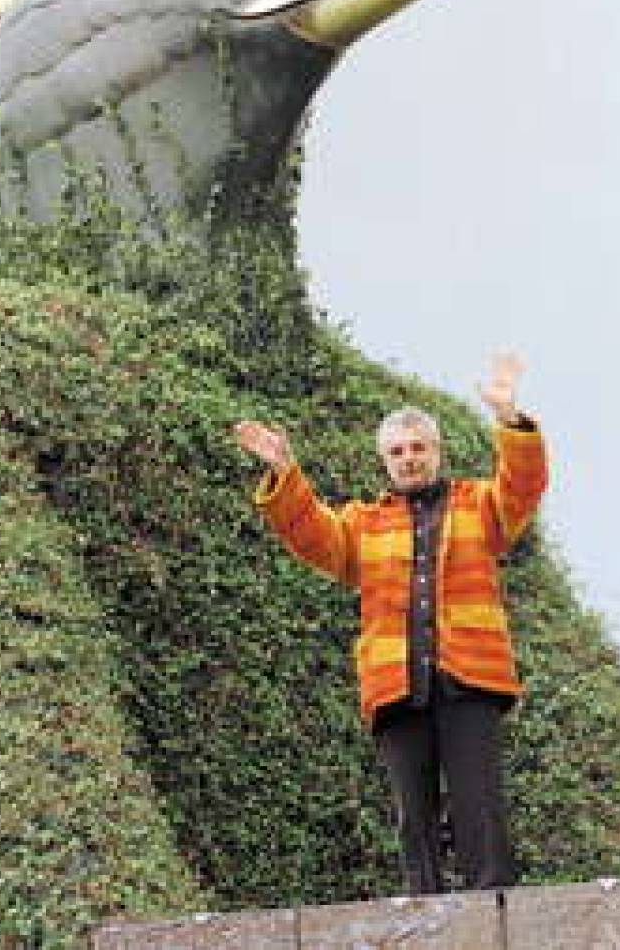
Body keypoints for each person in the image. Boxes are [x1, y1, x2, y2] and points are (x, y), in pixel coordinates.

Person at [233, 353, 548, 895]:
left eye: (418, 448)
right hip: (396, 686)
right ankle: (425, 914)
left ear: (437, 452)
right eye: (397, 451)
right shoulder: (362, 524)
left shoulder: (479, 507)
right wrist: (285, 474)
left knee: (480, 807)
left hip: (470, 681)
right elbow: (313, 535)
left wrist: (509, 420)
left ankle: (495, 914)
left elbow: (522, 487)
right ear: (384, 460)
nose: (409, 458)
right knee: (413, 816)